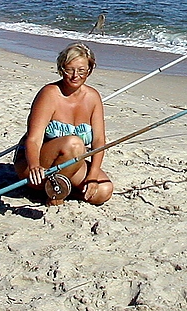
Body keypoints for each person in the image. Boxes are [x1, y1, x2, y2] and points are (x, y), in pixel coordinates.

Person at [14, 42, 113, 205]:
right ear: (61, 69)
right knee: (74, 143)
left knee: (103, 191)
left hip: (69, 165)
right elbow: (33, 139)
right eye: (69, 69)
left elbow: (99, 142)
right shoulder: (50, 94)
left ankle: (62, 188)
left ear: (89, 70)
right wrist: (34, 166)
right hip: (37, 165)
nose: (75, 76)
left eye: (81, 70)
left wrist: (93, 176)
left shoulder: (93, 97)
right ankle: (55, 195)